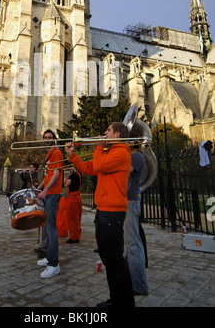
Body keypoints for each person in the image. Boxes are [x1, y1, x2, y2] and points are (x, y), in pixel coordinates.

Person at [65, 122, 135, 308]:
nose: (104, 133)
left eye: (108, 131)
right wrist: (72, 156)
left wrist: (98, 145)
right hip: (104, 210)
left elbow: (99, 164)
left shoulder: (121, 152)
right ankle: (116, 299)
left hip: (112, 212)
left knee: (115, 261)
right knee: (108, 259)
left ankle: (125, 303)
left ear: (117, 134)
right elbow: (90, 168)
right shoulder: (109, 152)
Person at [35, 129, 63, 279]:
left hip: (53, 194)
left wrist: (45, 191)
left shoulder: (57, 152)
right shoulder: (48, 155)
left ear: (54, 139)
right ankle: (48, 257)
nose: (47, 139)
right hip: (48, 193)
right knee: (47, 226)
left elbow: (57, 174)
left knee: (51, 228)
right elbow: (48, 175)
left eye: (50, 137)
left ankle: (54, 263)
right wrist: (39, 187)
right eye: (45, 137)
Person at [123, 151, 148, 295]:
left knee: (133, 245)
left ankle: (139, 286)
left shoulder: (136, 156)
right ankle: (131, 279)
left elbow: (123, 171)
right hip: (123, 202)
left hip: (130, 202)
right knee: (128, 244)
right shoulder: (126, 154)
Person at [64, 167, 82, 243]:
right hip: (77, 197)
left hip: (73, 197)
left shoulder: (74, 174)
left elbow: (66, 184)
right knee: (77, 217)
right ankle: (76, 235)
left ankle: (74, 237)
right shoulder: (79, 174)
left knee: (72, 218)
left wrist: (64, 177)